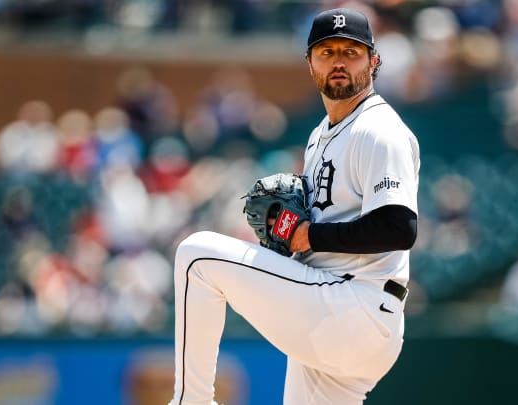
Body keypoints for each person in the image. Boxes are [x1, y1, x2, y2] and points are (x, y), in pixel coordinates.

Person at [169, 8, 420, 405]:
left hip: (356, 306)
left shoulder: (379, 130)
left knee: (196, 256)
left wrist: (309, 235)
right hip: (336, 311)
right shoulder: (320, 134)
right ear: (309, 63)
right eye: (326, 52)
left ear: (373, 61)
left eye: (351, 52)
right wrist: (290, 237)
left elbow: (399, 228)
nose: (338, 61)